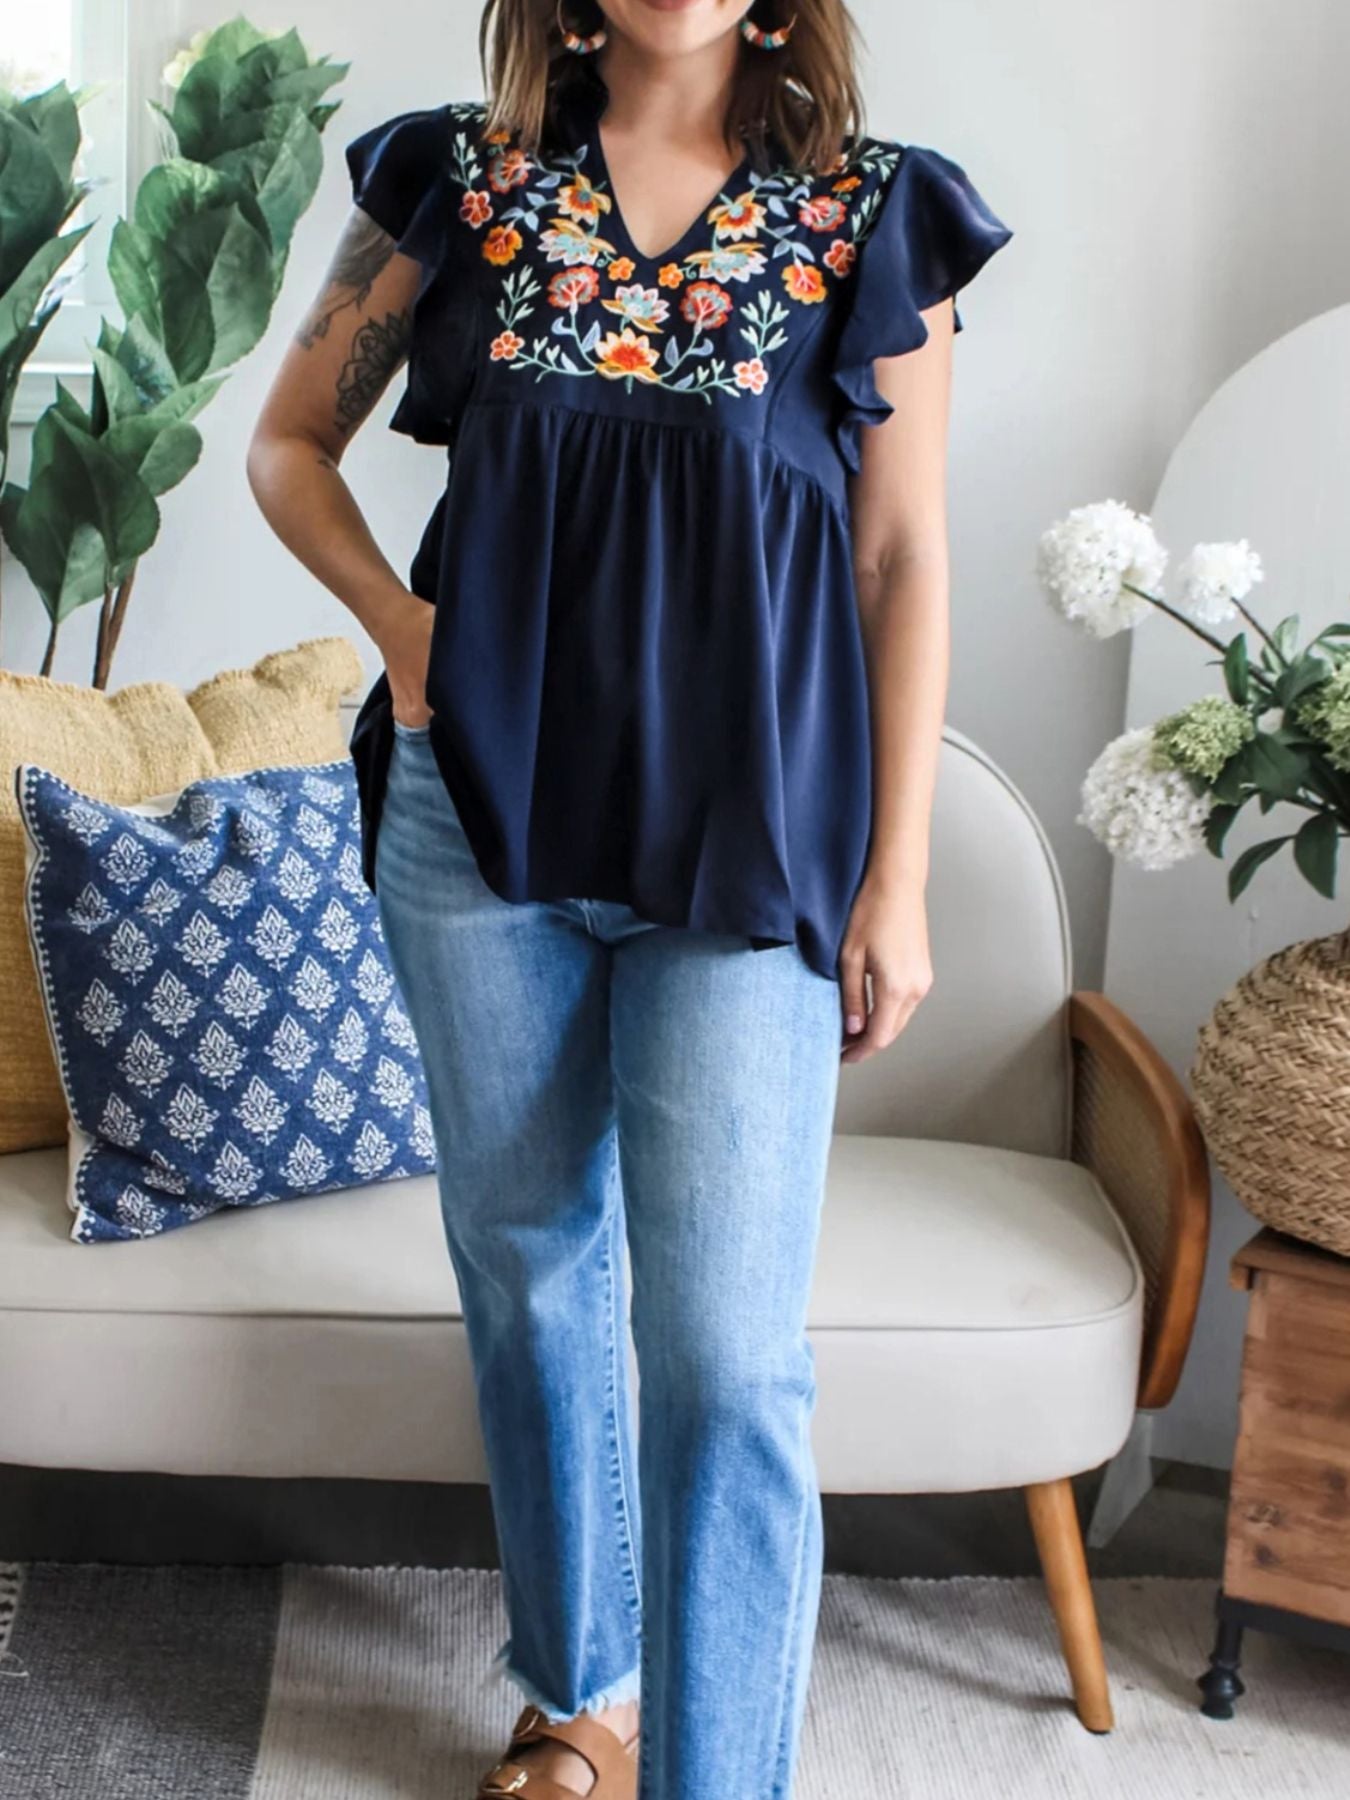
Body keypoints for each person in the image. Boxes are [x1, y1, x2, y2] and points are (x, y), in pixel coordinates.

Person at [247, 2, 1012, 1793]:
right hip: (476, 822)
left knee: (730, 1355)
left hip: (748, 841)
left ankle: (716, 1771)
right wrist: (407, 633)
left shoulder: (870, 211)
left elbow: (899, 557)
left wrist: (894, 877)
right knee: (524, 1273)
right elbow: (288, 446)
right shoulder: (448, 182)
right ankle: (576, 1694)